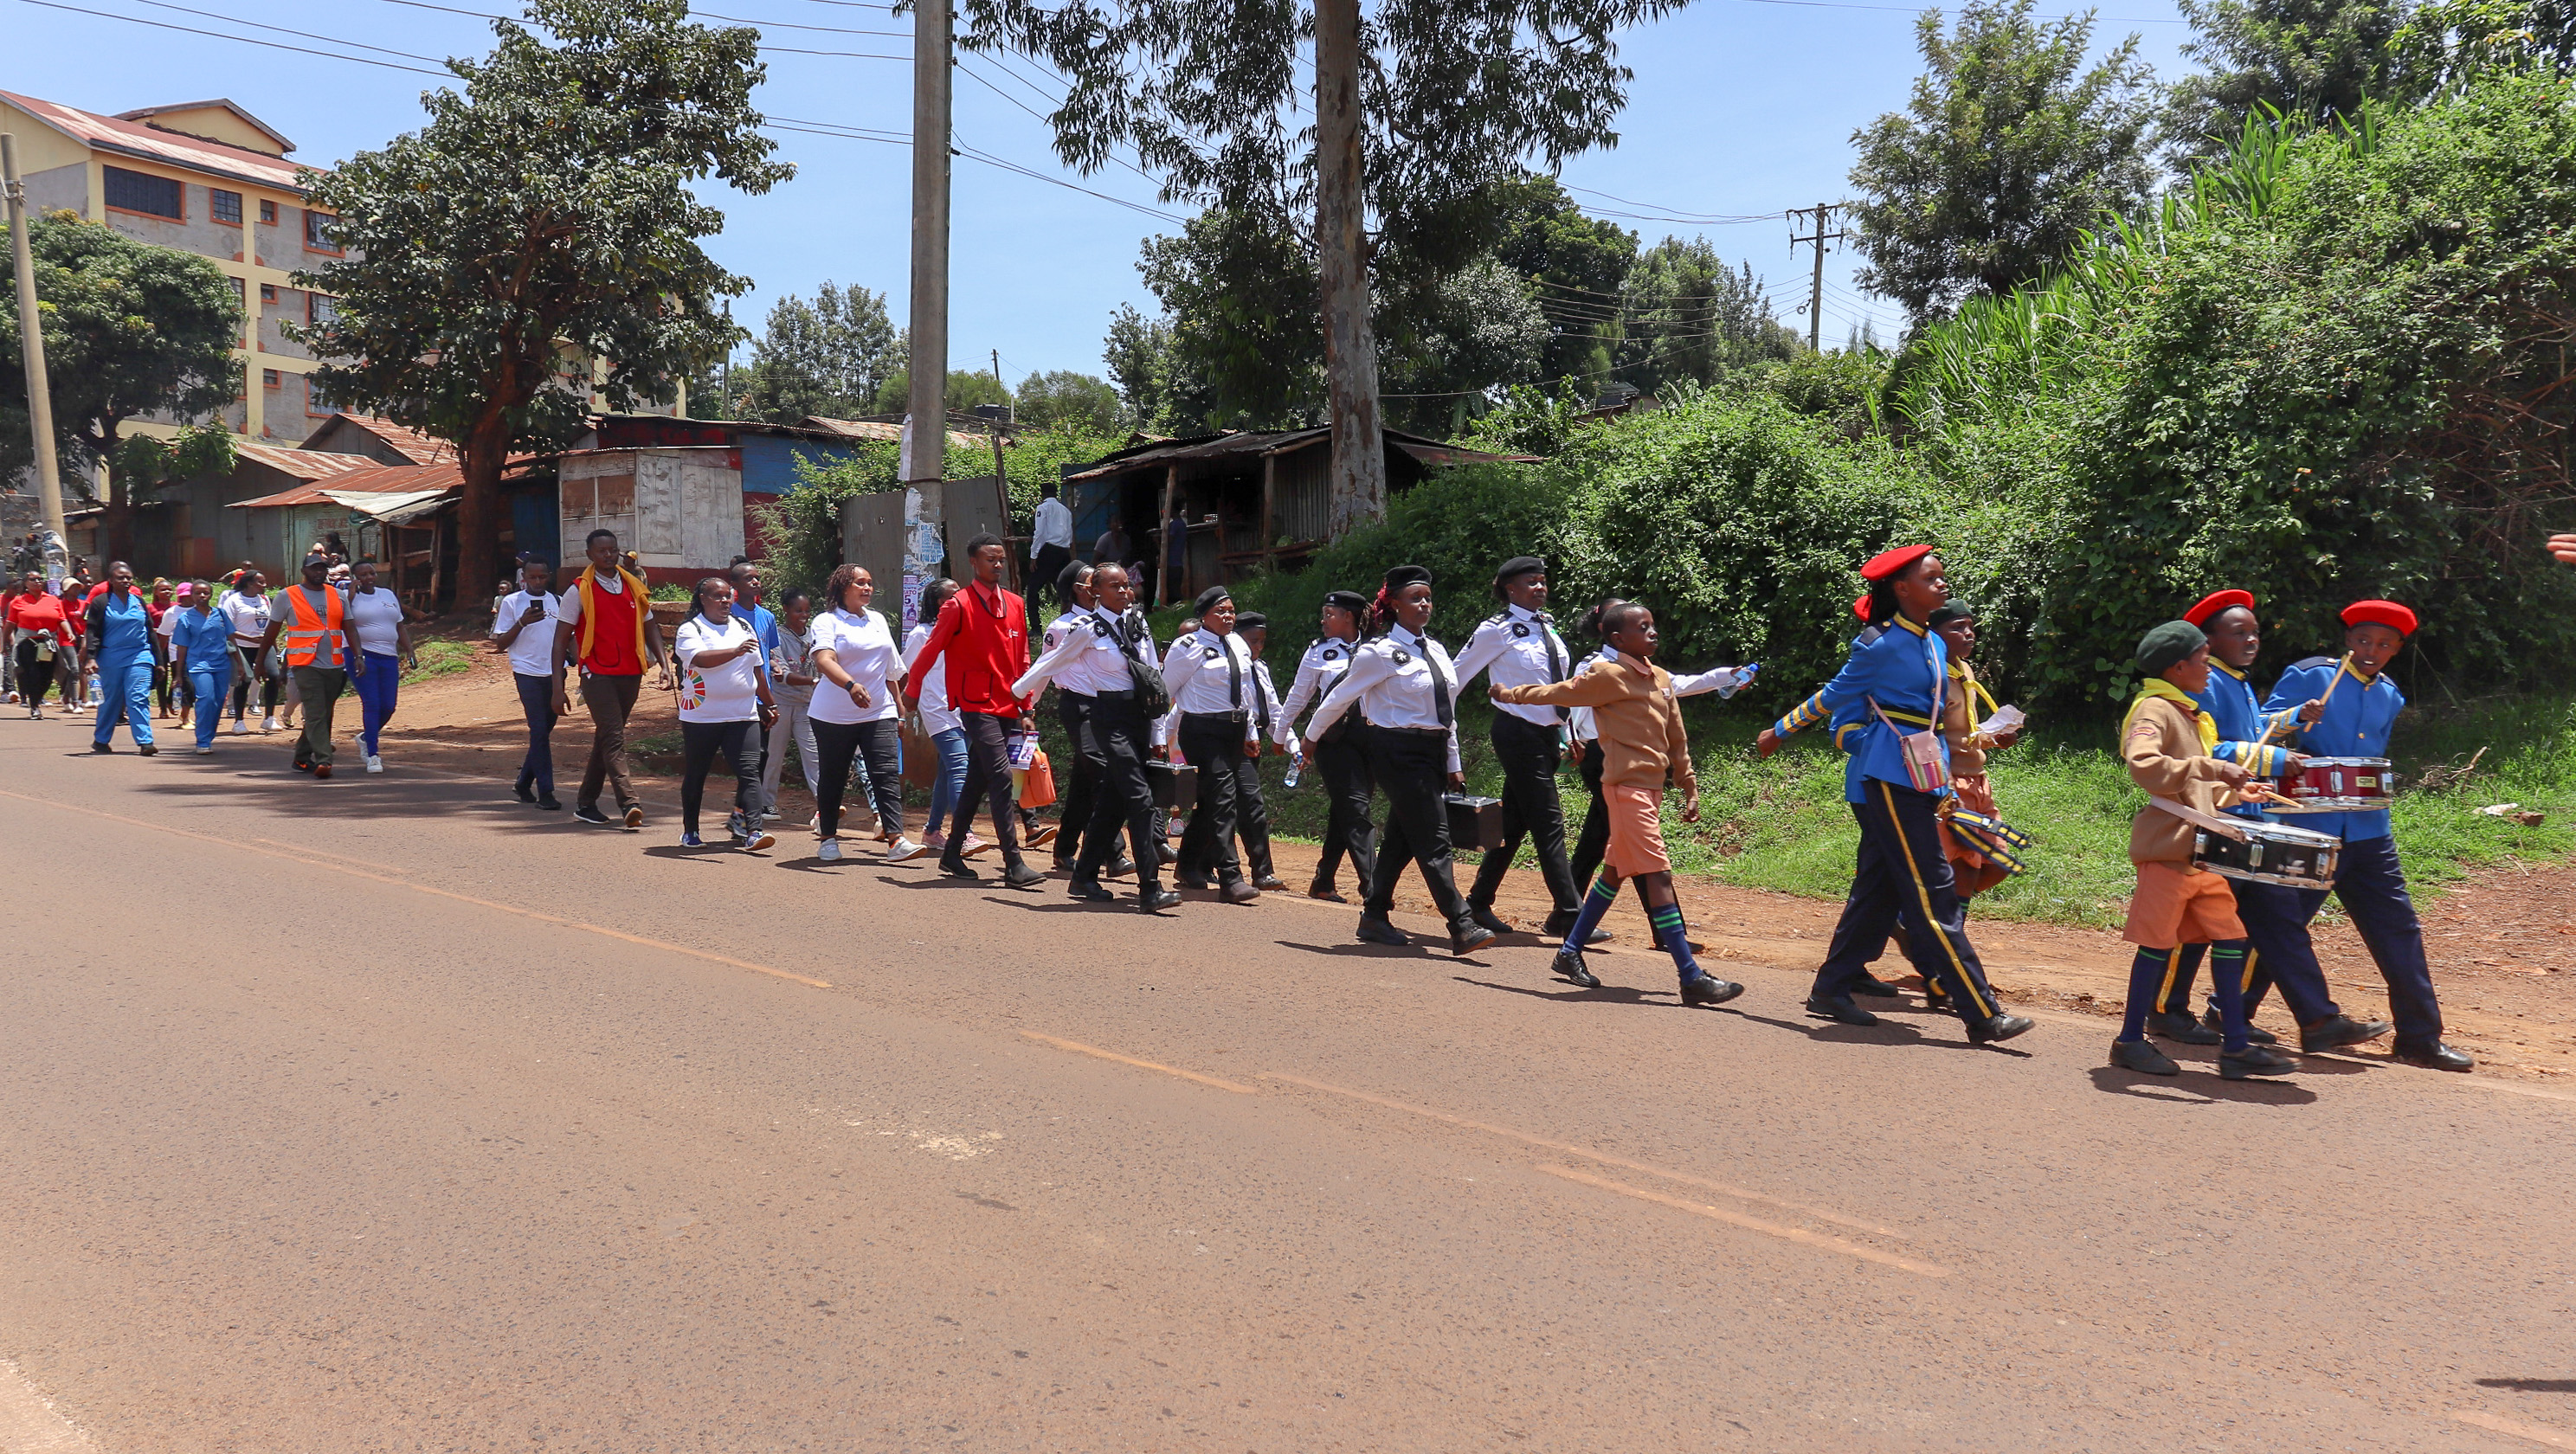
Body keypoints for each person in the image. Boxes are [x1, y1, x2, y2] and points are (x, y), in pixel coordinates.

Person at [1758, 546, 2032, 1045]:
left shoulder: (1931, 643)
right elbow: (1835, 695)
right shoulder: (1877, 645)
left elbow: (1933, 725)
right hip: (1887, 777)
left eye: (1942, 578)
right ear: (1902, 589)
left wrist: (1945, 785)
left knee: (1880, 886)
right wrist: (1780, 729)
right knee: (1933, 891)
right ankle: (1981, 1011)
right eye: (1932, 579)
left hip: (1922, 775)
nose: (1942, 585)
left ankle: (1834, 986)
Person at [2254, 600, 2473, 1071]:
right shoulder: (2311, 675)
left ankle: (2419, 1038)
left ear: (2397, 649)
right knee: (2284, 926)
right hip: (2308, 827)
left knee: (2399, 931)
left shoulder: (2390, 694)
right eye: (2363, 641)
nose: (2371, 651)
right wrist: (2295, 716)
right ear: (2348, 641)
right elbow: (2257, 731)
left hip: (2371, 835)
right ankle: (2229, 1014)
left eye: (2384, 645)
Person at [1492, 602, 1745, 1006]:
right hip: (1624, 789)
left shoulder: (1660, 678)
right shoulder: (1607, 675)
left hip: (1651, 789)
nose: (1652, 632)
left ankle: (1569, 952)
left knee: (1614, 874)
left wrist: (1688, 782)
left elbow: (1676, 736)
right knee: (1658, 875)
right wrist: (1510, 694)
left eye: (1652, 624)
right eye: (1641, 627)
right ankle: (1690, 976)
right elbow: (1559, 693)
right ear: (1617, 639)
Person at [2106, 621, 2300, 1079]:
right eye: (2202, 660)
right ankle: (2130, 1041)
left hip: (2203, 852)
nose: (2209, 669)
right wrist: (2214, 766)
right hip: (2169, 853)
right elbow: (2146, 766)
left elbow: (2198, 791)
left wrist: (2238, 792)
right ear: (2178, 668)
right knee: (2156, 946)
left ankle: (2235, 1047)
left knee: (2231, 939)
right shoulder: (2153, 710)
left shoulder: (2187, 710)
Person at [1304, 565, 1495, 956]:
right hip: (1394, 750)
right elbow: (1339, 698)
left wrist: (1453, 760)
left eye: (1427, 597)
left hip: (1432, 750)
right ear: (1393, 604)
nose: (1424, 604)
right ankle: (1460, 923)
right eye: (1415, 598)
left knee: (1402, 840)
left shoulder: (1437, 651)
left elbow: (1447, 711)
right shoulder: (1377, 653)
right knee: (1433, 839)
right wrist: (1310, 737)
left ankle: (1374, 914)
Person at [1015, 560, 1177, 912]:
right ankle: (1150, 888)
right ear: (1095, 592)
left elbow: (1153, 678)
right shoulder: (1085, 628)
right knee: (1140, 799)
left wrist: (1157, 732)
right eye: (1114, 586)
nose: (1123, 591)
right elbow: (1051, 663)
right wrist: (1020, 695)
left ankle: (1084, 875)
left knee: (1112, 802)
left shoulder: (1137, 623)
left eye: (1126, 586)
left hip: (1138, 717)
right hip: (1108, 719)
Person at [903, 532, 1046, 889]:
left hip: (1008, 702)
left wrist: (1026, 704)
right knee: (1001, 778)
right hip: (975, 703)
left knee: (977, 780)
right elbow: (931, 650)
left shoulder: (1014, 603)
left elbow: (1023, 658)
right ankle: (1013, 862)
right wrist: (913, 691)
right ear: (973, 562)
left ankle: (951, 853)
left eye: (1000, 559)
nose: (996, 565)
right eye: (989, 559)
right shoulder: (958, 604)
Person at [1451, 557, 1583, 938]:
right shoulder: (1496, 630)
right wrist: (1443, 731)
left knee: (1515, 824)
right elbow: (1455, 680)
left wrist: (1567, 731)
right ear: (1511, 589)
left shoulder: (1548, 627)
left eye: (1543, 581)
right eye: (1532, 582)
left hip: (1545, 734)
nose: (1541, 587)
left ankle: (1478, 901)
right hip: (1516, 731)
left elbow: (1561, 685)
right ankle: (1571, 913)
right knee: (1548, 821)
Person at [554, 529, 672, 830]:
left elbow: (651, 627)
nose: (608, 555)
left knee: (607, 736)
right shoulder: (578, 591)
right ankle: (629, 802)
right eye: (602, 550)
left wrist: (664, 665)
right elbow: (559, 642)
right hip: (597, 674)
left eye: (613, 549)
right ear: (589, 555)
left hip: (630, 672)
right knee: (615, 737)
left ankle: (585, 803)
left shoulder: (633, 587)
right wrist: (558, 688)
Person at [808, 564, 923, 864]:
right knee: (833, 776)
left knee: (884, 773)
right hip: (833, 714)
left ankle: (896, 839)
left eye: (870, 583)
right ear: (843, 586)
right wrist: (850, 685)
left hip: (878, 710)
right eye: (860, 583)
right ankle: (828, 838)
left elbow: (892, 669)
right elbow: (823, 659)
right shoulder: (826, 621)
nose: (867, 588)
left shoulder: (877, 620)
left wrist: (899, 709)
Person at [1158, 586, 1265, 902]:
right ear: (1204, 616)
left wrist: (1250, 732)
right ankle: (1230, 877)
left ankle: (1188, 864)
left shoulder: (1238, 644)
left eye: (1231, 610)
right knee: (1223, 800)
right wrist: (1157, 734)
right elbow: (1166, 690)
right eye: (1221, 611)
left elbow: (1246, 690)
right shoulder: (1187, 646)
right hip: (1201, 730)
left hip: (1233, 731)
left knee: (1209, 803)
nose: (1228, 616)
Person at [1278, 590, 1377, 903]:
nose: (1323, 620)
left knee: (1346, 811)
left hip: (1371, 737)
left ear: (1348, 616)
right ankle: (1373, 887)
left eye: (1329, 614)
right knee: (1357, 810)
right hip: (1333, 740)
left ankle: (1323, 881)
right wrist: (1281, 736)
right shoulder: (1320, 652)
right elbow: (1299, 695)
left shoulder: (1376, 649)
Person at [672, 576, 777, 852]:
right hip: (702, 717)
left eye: (727, 596)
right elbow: (700, 660)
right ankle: (691, 831)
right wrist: (735, 651)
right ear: (703, 600)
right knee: (697, 773)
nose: (724, 601)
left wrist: (770, 703)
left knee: (750, 771)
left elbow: (757, 670)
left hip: (743, 714)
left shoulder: (743, 627)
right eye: (717, 596)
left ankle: (753, 831)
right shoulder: (690, 629)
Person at [258, 555, 358, 778]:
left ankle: (302, 758)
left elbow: (349, 627)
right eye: (314, 568)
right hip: (304, 663)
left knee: (324, 713)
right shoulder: (287, 596)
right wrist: (261, 661)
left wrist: (358, 656)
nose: (319, 572)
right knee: (314, 712)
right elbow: (271, 632)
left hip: (333, 664)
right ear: (303, 570)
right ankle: (324, 760)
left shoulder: (338, 594)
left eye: (322, 568)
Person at [1037, 560, 1104, 874]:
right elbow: (1043, 669)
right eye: (1093, 581)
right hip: (1079, 708)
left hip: (1109, 707)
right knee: (1102, 774)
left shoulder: (1111, 622)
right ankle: (1111, 851)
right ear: (1079, 590)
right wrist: (1026, 706)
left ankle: (1064, 850)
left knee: (1083, 781)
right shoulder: (1062, 627)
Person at [904, 577, 970, 855]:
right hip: (936, 708)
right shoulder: (922, 634)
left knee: (946, 771)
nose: (961, 598)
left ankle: (932, 831)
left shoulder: (964, 631)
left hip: (963, 709)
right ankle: (964, 833)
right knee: (960, 767)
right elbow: (905, 669)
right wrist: (904, 707)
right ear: (941, 603)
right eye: (953, 595)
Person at [493, 558, 564, 809]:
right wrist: (522, 622)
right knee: (538, 731)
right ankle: (546, 792)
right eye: (532, 578)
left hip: (556, 673)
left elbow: (568, 637)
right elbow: (500, 644)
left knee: (545, 731)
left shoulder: (558, 601)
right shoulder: (512, 602)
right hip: (527, 673)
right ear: (523, 577)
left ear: (548, 576)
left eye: (541, 577)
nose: (537, 582)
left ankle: (523, 783)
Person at [1228, 611, 1285, 891]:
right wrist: (1249, 734)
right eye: (1252, 641)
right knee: (1250, 804)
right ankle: (1262, 872)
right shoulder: (1228, 667)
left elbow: (1274, 710)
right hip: (1232, 741)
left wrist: (1291, 742)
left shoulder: (1260, 669)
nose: (1257, 648)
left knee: (1231, 807)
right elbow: (1240, 706)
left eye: (1262, 642)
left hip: (1254, 742)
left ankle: (1194, 864)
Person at [760, 586, 823, 822]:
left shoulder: (814, 636)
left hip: (808, 705)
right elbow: (781, 675)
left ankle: (824, 803)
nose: (804, 615)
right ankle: (766, 804)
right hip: (782, 704)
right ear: (786, 609)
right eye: (798, 610)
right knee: (774, 756)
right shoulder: (778, 636)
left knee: (814, 756)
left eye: (807, 610)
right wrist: (814, 680)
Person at [83, 562, 158, 754]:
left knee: (138, 697)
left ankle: (145, 742)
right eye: (120, 578)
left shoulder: (139, 602)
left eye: (128, 578)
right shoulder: (101, 602)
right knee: (110, 700)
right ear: (111, 580)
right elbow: (92, 631)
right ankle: (101, 740)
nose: (125, 581)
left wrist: (159, 661)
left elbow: (150, 631)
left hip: (139, 654)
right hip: (110, 657)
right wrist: (91, 657)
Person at [345, 560, 411, 773]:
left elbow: (399, 624)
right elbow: (343, 621)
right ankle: (373, 754)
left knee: (388, 706)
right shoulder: (348, 597)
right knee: (372, 703)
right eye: (362, 575)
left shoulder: (387, 594)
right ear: (355, 578)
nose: (369, 578)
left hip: (389, 656)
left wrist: (409, 649)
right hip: (361, 655)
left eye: (371, 573)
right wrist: (352, 595)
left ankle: (366, 737)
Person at [168, 580, 233, 755]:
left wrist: (240, 665)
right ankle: (203, 740)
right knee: (206, 698)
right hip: (199, 665)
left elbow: (231, 639)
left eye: (205, 593)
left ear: (211, 595)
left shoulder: (220, 614)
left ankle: (209, 736)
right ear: (191, 595)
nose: (202, 596)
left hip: (222, 664)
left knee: (219, 701)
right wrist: (178, 674)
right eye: (197, 593)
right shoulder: (185, 619)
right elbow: (181, 647)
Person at [7, 568, 74, 719]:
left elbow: (61, 619)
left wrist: (69, 632)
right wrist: (3, 643)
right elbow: (10, 624)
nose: (38, 582)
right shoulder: (18, 602)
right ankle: (35, 706)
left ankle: (36, 698)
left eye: (40, 579)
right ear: (25, 583)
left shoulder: (52, 600)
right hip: (27, 643)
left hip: (47, 644)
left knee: (47, 675)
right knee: (33, 673)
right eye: (33, 579)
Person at [219, 570, 278, 734]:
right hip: (242, 646)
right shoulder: (234, 601)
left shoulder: (265, 599)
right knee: (244, 680)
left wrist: (274, 647)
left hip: (264, 646)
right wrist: (249, 638)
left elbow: (270, 624)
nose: (265, 585)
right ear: (249, 583)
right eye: (261, 582)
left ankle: (269, 719)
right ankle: (239, 721)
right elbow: (227, 627)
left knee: (273, 676)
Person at [1031, 482, 1075, 615]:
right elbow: (1070, 535)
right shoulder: (1066, 511)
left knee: (1033, 589)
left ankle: (1036, 628)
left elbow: (1040, 533)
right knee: (1064, 590)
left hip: (1049, 551)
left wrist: (1034, 555)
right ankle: (1069, 620)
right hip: (1064, 551)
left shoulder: (1043, 508)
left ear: (1042, 494)